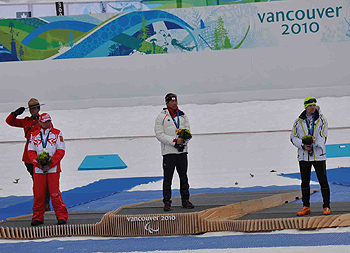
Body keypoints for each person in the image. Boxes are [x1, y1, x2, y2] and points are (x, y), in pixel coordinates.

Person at [5, 98, 51, 211]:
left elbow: (51, 132)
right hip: (29, 156)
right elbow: (9, 121)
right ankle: (40, 204)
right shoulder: (26, 121)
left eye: (34, 108)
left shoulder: (43, 120)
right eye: (30, 109)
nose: (32, 111)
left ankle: (46, 203)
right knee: (36, 181)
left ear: (39, 108)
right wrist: (15, 113)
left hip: (42, 154)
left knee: (45, 181)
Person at [290, 96, 331, 216]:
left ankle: (326, 206)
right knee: (305, 182)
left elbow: (323, 136)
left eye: (314, 105)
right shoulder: (298, 121)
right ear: (305, 107)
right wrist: (303, 145)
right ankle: (306, 206)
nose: (312, 107)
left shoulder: (322, 120)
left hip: (318, 155)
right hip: (304, 156)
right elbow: (293, 137)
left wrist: (313, 142)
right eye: (310, 105)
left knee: (323, 181)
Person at [155, 93, 194, 211]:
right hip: (169, 153)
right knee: (168, 178)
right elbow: (159, 134)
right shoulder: (161, 117)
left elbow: (188, 131)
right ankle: (167, 202)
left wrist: (183, 140)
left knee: (184, 177)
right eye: (171, 101)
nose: (174, 103)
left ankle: (185, 200)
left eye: (175, 100)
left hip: (182, 152)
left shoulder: (182, 115)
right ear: (167, 103)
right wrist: (174, 141)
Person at [28, 113, 69, 226]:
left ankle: (61, 216)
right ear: (40, 122)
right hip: (38, 169)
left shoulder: (57, 133)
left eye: (49, 121)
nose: (48, 123)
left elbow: (61, 151)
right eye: (45, 121)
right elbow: (30, 151)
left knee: (55, 193)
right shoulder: (34, 135)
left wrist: (50, 164)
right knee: (38, 194)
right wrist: (38, 163)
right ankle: (37, 217)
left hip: (53, 169)